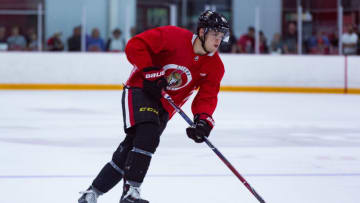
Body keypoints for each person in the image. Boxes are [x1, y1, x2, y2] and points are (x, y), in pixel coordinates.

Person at [78, 10, 229, 203]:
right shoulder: (173, 36)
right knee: (147, 134)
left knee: (132, 147)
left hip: (165, 106)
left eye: (221, 35)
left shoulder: (215, 66)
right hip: (140, 88)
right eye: (214, 34)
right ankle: (131, 192)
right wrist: (150, 71)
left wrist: (203, 120)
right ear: (201, 32)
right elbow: (136, 45)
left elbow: (207, 97)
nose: (219, 40)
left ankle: (92, 193)